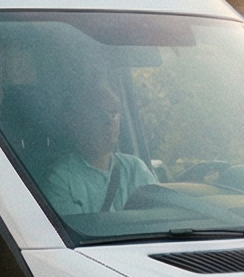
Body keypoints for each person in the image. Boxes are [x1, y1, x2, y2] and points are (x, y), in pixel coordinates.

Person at [37, 77, 155, 220]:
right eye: (100, 115)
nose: (110, 123)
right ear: (75, 122)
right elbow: (71, 236)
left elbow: (159, 219)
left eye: (114, 114)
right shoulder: (61, 179)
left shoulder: (136, 169)